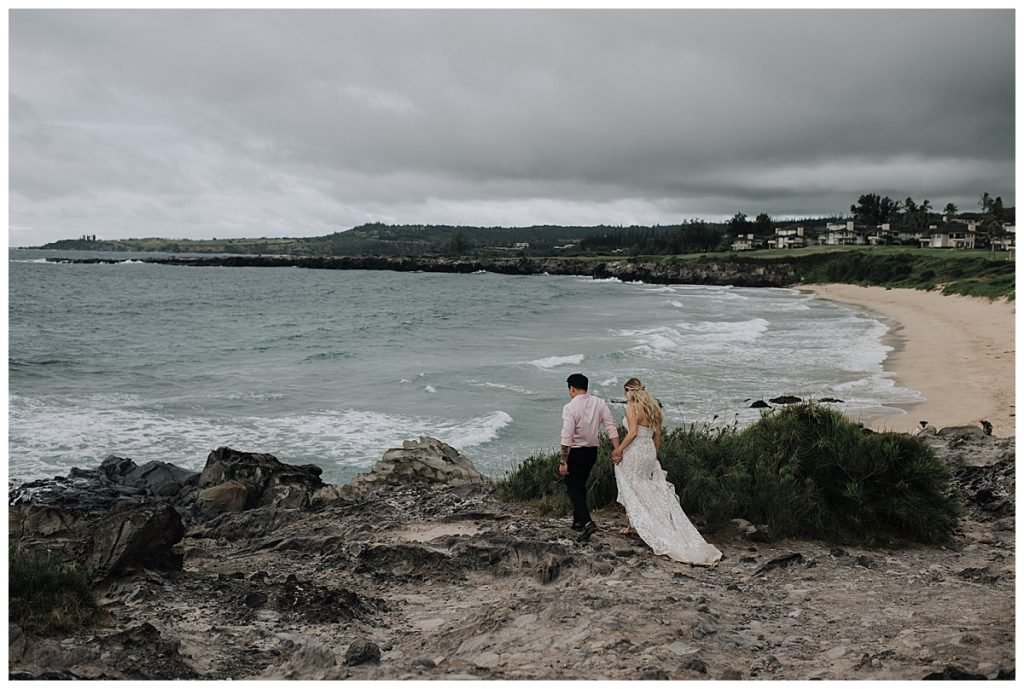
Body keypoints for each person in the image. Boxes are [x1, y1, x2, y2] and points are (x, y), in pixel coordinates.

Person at [610, 377, 722, 567]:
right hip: (649, 451)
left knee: (631, 484)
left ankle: (633, 524)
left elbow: (632, 433)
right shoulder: (654, 409)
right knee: (646, 485)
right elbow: (657, 436)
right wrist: (654, 455)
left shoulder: (633, 408)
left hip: (636, 450)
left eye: (626, 393)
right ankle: (637, 523)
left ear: (629, 391)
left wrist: (619, 449)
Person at [560, 373, 620, 542]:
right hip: (592, 452)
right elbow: (610, 426)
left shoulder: (570, 407)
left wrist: (563, 460)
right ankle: (577, 521)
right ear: (585, 387)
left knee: (573, 487)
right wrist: (617, 449)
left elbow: (567, 436)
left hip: (575, 452)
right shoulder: (599, 403)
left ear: (571, 388)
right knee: (580, 485)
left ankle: (587, 522)